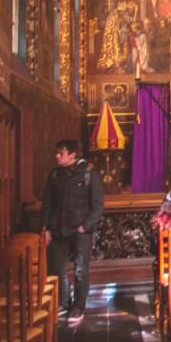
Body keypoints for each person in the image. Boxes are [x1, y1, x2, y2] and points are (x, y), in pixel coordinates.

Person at [40, 139, 104, 327]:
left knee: (80, 270)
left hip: (80, 231)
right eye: (57, 152)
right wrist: (45, 227)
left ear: (73, 154)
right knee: (56, 268)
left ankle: (78, 307)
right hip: (57, 230)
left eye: (61, 152)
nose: (57, 156)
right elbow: (47, 204)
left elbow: (98, 205)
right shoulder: (54, 175)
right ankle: (63, 301)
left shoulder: (88, 174)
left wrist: (85, 226)